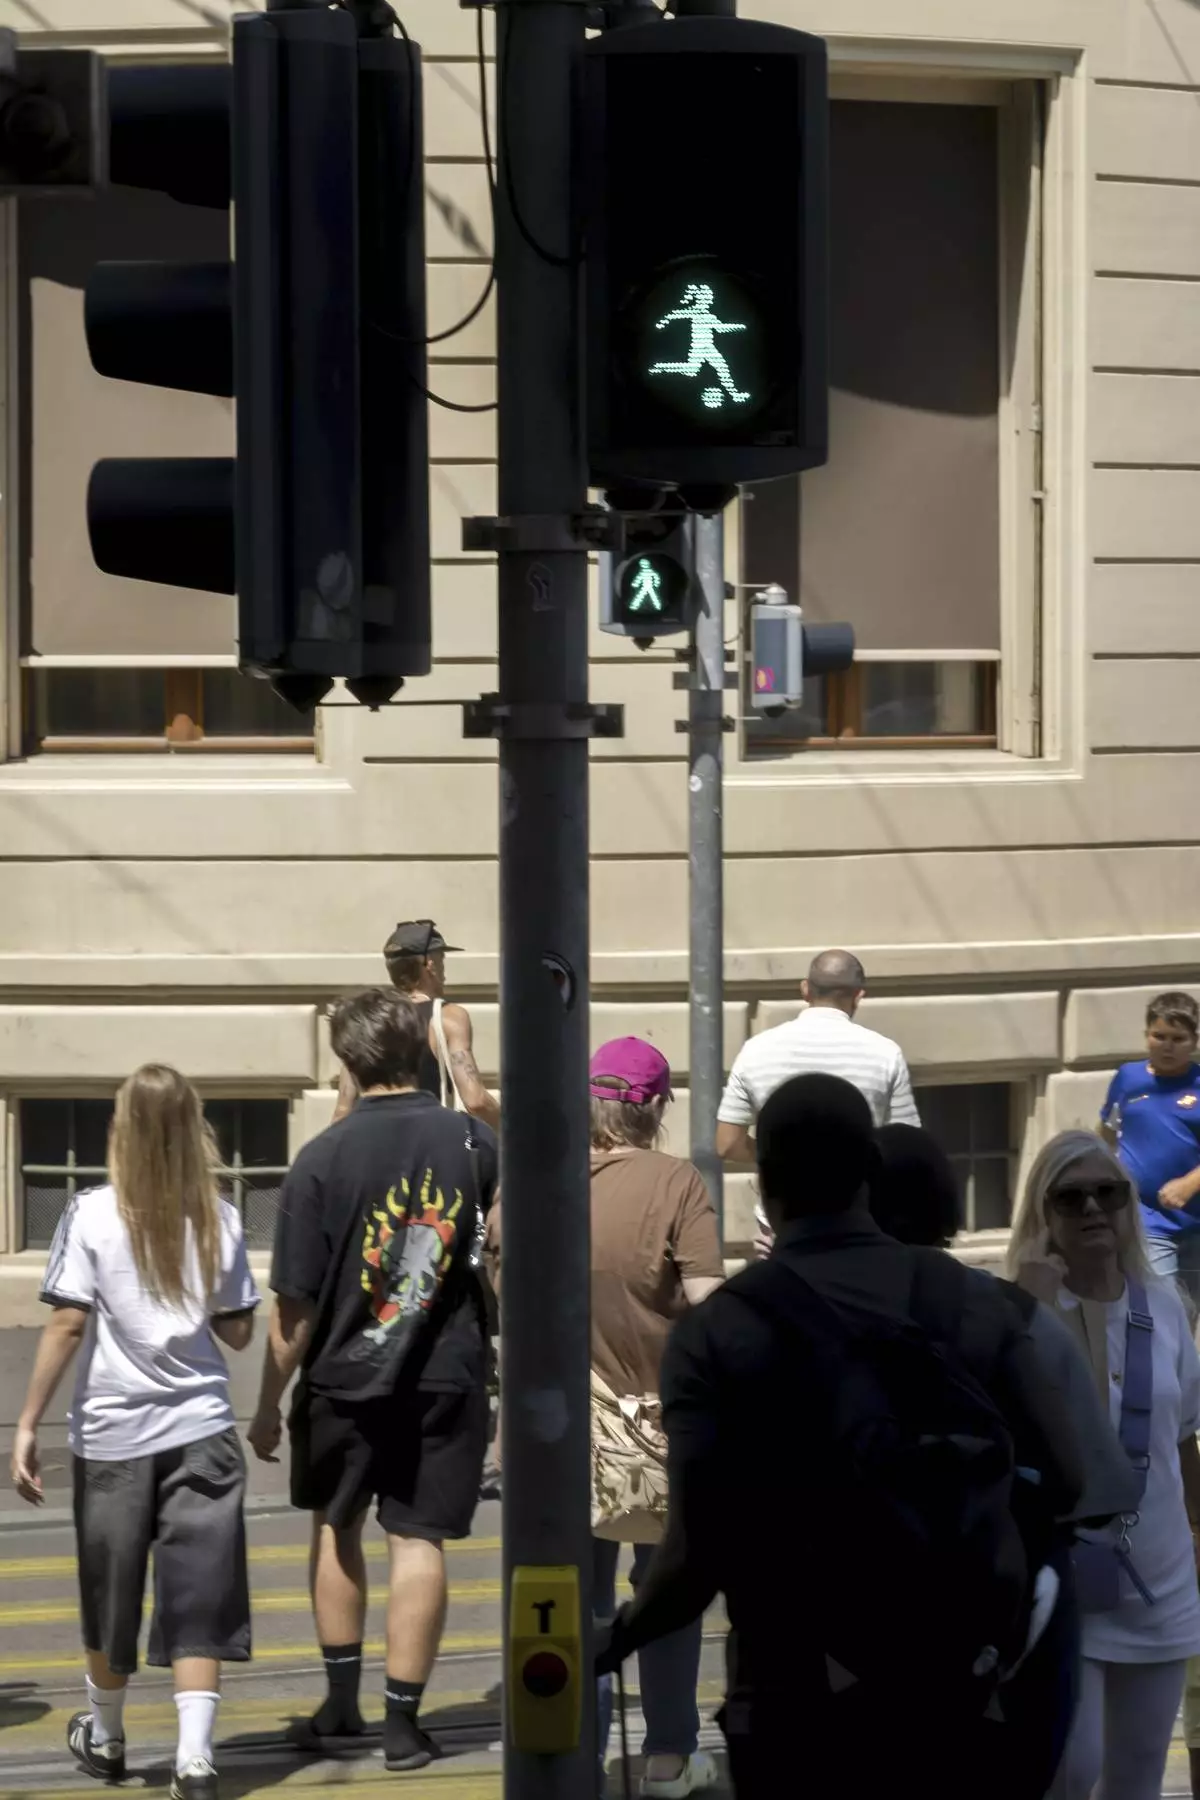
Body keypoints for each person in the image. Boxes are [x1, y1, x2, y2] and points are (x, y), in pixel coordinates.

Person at [599, 1073, 1083, 1800]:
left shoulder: (721, 1330)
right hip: (968, 1696)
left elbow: (697, 1554)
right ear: (869, 1172)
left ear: (764, 1187)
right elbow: (1069, 1480)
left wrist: (615, 1640)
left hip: (800, 1706)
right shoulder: (972, 1301)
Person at [248, 986, 497, 1772]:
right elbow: (502, 1255)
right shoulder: (473, 1142)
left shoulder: (321, 1159)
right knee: (419, 1540)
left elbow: (293, 1309)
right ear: (420, 1049)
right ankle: (402, 1724)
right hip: (446, 1374)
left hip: (342, 1380)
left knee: (337, 1526)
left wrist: (266, 1405)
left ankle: (339, 1704)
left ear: (346, 1062)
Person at [9, 1065, 259, 1800]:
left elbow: (67, 1322)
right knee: (200, 1594)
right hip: (203, 1431)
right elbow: (238, 1332)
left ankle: (108, 1736)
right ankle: (195, 1761)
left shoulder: (90, 1213)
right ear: (192, 1129)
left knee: (110, 1593)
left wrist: (28, 1423)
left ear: (121, 1129)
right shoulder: (220, 1217)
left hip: (113, 1436)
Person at [868, 1124, 1140, 1800]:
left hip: (860, 1637)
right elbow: (1092, 1486)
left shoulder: (804, 1317)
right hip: (1004, 1631)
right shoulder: (1014, 1314)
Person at [488, 1038, 725, 1798]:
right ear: (654, 1108)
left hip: (554, 1437)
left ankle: (574, 1761)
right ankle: (667, 1760)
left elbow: (503, 1289)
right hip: (659, 1434)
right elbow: (709, 1309)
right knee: (666, 1595)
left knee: (569, 1601)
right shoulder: (677, 1182)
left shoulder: (530, 1182)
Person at [1009, 1128, 1200, 1800]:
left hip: (1159, 1579)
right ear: (1043, 1215)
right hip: (1064, 1579)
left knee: (1138, 1777)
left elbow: (1183, 1441)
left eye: (1108, 1193)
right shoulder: (1019, 1312)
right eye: (1071, 1197)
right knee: (1070, 1769)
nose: (1093, 1208)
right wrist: (1031, 1308)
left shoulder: (1168, 1306)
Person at [715, 949, 919, 1174]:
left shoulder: (756, 1049)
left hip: (784, 1196)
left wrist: (781, 1157)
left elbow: (728, 1144)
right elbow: (906, 1146)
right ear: (858, 995)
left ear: (805, 989)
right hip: (859, 1193)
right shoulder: (886, 1053)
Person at [332, 920, 499, 1132]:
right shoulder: (447, 1017)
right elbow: (476, 1101)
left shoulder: (367, 1021)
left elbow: (342, 1110)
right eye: (441, 961)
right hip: (431, 1142)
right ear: (430, 965)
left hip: (379, 1145)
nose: (444, 972)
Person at [1100, 990, 1200, 1313]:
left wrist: (1189, 1184)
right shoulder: (1128, 1078)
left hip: (1194, 1222)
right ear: (1147, 1036)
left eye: (1178, 1038)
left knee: (1185, 1313)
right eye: (1159, 1036)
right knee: (1160, 1308)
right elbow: (1107, 1131)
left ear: (1194, 1041)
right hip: (1146, 1219)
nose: (1167, 1046)